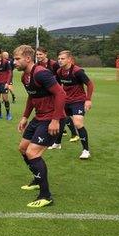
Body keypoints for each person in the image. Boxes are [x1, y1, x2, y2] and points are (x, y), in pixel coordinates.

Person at [14, 45, 66, 208]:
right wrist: (24, 117)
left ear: (28, 58)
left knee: (32, 152)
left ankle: (46, 196)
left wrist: (56, 120)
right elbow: (32, 97)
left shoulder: (41, 73)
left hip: (51, 118)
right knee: (23, 148)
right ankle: (37, 179)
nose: (13, 62)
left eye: (17, 59)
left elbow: (60, 93)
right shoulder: (25, 77)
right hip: (39, 117)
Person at [49, 51, 94, 159]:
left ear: (69, 59)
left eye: (63, 58)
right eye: (59, 58)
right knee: (60, 121)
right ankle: (57, 143)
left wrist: (88, 100)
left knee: (78, 123)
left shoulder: (77, 71)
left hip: (78, 101)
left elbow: (90, 84)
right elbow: (58, 86)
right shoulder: (59, 71)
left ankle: (86, 150)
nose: (59, 60)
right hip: (65, 101)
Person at [36, 47, 78, 140]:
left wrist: (62, 89)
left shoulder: (54, 64)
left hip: (56, 92)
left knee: (62, 113)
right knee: (53, 113)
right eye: (37, 54)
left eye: (40, 54)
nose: (38, 56)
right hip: (47, 94)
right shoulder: (37, 65)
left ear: (45, 54)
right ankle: (63, 131)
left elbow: (62, 74)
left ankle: (74, 134)